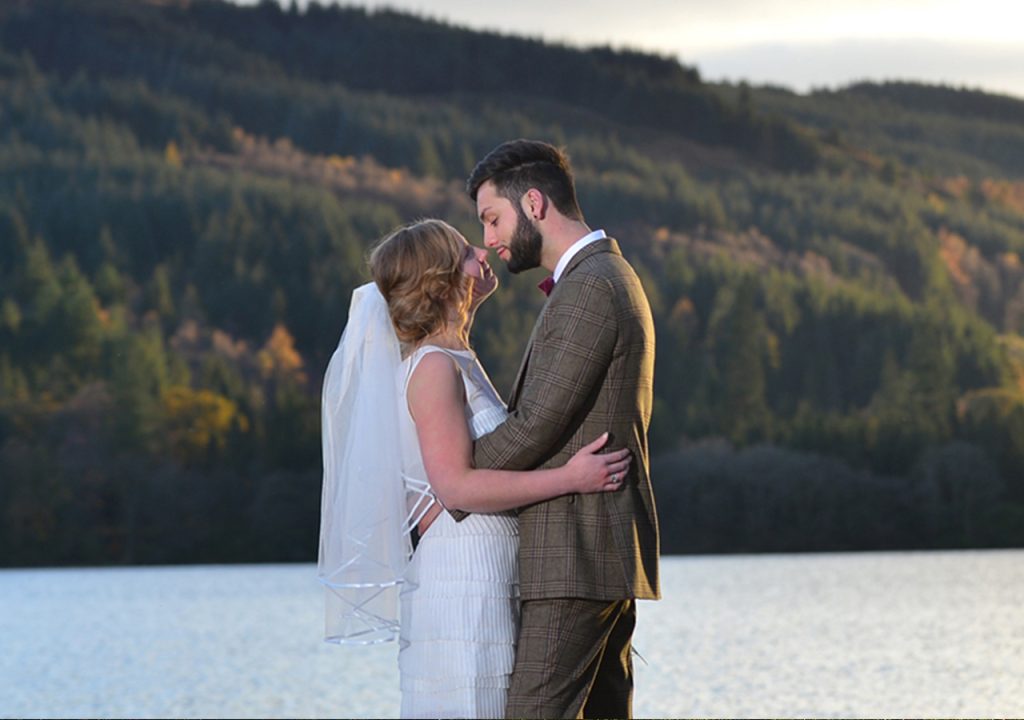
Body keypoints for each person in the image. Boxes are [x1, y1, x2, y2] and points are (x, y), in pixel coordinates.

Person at [317, 219, 632, 719]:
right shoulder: (433, 367)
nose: (483, 252)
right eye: (467, 251)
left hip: (487, 568)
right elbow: (455, 486)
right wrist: (571, 479)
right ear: (442, 278)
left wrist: (469, 307)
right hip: (463, 576)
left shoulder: (454, 354)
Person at [462, 139, 660, 718]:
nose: (491, 240)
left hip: (574, 553)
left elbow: (533, 428)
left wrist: (446, 480)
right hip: (592, 550)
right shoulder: (599, 279)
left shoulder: (592, 286)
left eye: (492, 219)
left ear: (534, 203)